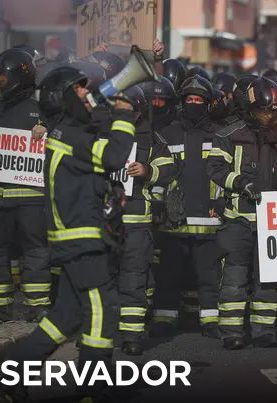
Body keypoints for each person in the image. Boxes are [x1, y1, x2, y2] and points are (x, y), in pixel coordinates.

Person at [0, 65, 137, 401]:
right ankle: (93, 387)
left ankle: (9, 374)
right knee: (103, 311)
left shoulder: (66, 132)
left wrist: (109, 110)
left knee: (65, 316)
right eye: (80, 90)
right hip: (81, 241)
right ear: (63, 99)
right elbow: (115, 156)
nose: (87, 94)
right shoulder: (71, 138)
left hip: (73, 240)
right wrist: (124, 116)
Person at [207, 77, 277, 349]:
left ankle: (263, 330)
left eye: (274, 111)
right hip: (237, 220)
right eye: (264, 111)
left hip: (270, 226)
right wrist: (240, 183)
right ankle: (232, 332)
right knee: (234, 279)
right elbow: (215, 169)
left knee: (268, 280)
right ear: (250, 109)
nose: (270, 117)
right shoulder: (228, 136)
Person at [0, 48, 51, 324]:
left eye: (4, 77)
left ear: (19, 74)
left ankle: (38, 306)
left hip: (33, 199)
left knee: (36, 252)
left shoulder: (44, 111)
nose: (0, 82)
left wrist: (47, 134)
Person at [152, 75, 224, 339]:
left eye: (199, 100)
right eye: (190, 100)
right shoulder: (167, 134)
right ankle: (164, 318)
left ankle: (210, 321)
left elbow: (223, 173)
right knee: (169, 273)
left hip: (209, 217)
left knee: (209, 274)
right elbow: (158, 172)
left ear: (208, 104)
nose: (194, 104)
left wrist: (221, 202)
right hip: (175, 219)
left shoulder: (219, 134)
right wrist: (159, 203)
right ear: (182, 102)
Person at [112, 85, 175, 356]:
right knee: (103, 277)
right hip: (105, 219)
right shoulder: (102, 132)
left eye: (130, 110)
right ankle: (103, 332)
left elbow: (170, 166)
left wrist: (148, 170)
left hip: (137, 220)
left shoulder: (150, 137)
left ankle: (132, 335)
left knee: (134, 278)